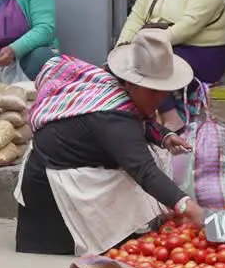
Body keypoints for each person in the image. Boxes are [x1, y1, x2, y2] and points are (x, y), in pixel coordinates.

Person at [15, 28, 205, 255]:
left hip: (68, 163)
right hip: (51, 189)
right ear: (131, 83)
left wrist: (164, 136)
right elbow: (143, 169)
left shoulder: (117, 95)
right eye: (153, 91)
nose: (160, 99)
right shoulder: (112, 116)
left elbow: (139, 122)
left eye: (164, 92)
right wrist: (185, 204)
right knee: (141, 172)